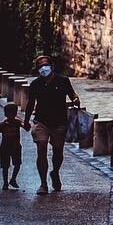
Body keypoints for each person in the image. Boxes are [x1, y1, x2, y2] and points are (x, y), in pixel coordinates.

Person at [23, 53, 81, 193]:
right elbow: (31, 103)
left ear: (51, 66)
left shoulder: (63, 81)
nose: (44, 68)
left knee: (58, 152)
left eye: (46, 65)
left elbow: (72, 94)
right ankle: (43, 183)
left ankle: (55, 172)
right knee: (41, 148)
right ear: (37, 69)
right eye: (40, 66)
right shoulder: (35, 84)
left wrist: (75, 99)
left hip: (59, 121)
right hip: (41, 121)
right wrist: (26, 120)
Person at [1, 101, 23, 189]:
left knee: (17, 164)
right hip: (6, 147)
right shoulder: (3, 124)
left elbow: (25, 126)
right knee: (5, 166)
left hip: (15, 146)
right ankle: (6, 182)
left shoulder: (17, 122)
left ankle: (12, 179)